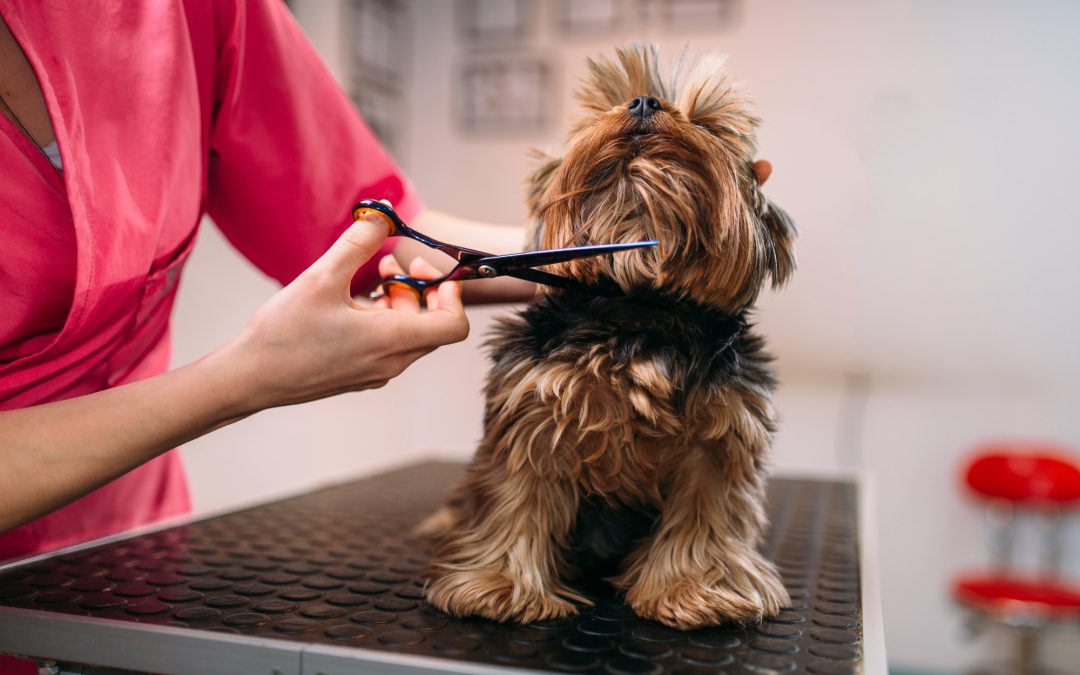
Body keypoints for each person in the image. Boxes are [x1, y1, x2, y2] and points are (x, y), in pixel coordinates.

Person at [0, 0, 546, 574]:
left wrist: (587, 252)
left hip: (130, 553)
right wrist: (248, 377)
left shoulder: (192, 12)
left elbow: (373, 232)